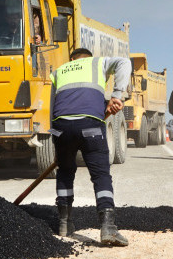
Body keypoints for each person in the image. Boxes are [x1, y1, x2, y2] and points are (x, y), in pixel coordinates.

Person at [50, 48, 131, 246]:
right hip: (89, 125)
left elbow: (54, 104)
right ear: (88, 58)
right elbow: (125, 63)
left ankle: (64, 224)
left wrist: (56, 138)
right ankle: (108, 227)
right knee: (101, 175)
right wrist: (117, 95)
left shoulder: (59, 71)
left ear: (72, 60)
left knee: (65, 172)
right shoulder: (97, 63)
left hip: (61, 127)